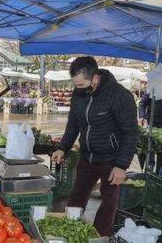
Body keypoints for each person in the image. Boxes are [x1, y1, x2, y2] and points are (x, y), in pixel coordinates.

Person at [51, 56, 139, 236]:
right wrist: (63, 147)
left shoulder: (120, 96)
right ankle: (70, 231)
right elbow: (73, 124)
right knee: (76, 198)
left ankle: (99, 237)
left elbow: (131, 133)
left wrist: (121, 166)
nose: (77, 89)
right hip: (87, 157)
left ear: (95, 78)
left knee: (108, 203)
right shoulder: (78, 94)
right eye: (75, 85)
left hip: (111, 159)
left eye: (81, 85)